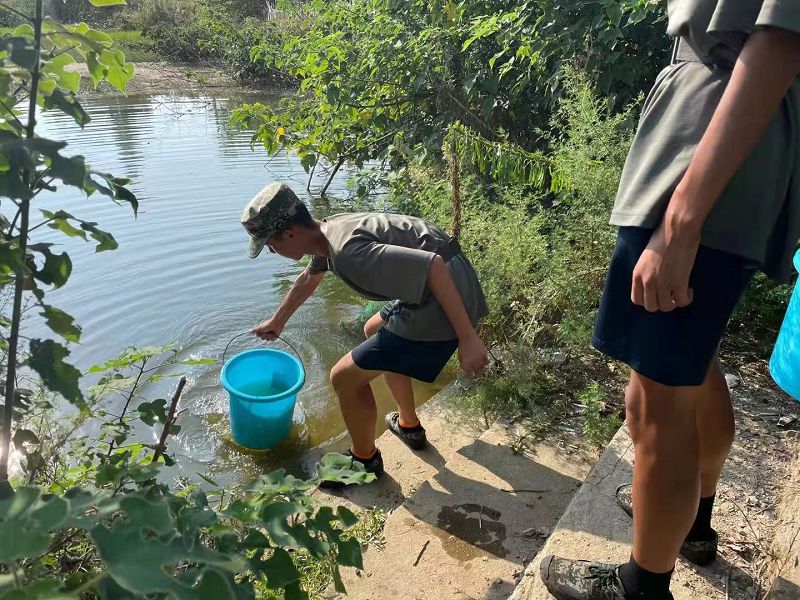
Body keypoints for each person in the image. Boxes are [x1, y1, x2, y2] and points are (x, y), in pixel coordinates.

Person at [540, 1, 800, 599]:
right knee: (689, 367)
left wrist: (681, 221)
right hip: (715, 157)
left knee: (657, 399)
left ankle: (641, 586)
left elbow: (781, 43)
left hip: (702, 164)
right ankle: (695, 524)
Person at [241, 182, 489, 483]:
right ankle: (409, 424)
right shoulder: (329, 231)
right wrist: (277, 321)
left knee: (343, 377)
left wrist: (468, 339)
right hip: (436, 286)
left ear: (290, 234)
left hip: (443, 296)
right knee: (373, 328)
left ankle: (364, 459)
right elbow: (310, 277)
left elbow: (433, 266)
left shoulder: (348, 253)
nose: (270, 250)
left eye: (270, 243)